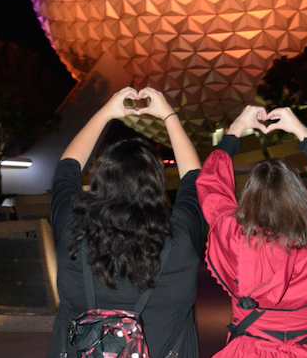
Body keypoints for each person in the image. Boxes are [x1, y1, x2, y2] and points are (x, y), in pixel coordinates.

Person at [196, 105, 307, 358]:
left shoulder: (233, 239)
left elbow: (212, 189)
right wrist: (303, 135)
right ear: (299, 197)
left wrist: (233, 133)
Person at [47, 85, 204, 358]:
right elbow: (195, 180)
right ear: (155, 186)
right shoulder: (180, 239)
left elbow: (66, 169)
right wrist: (168, 115)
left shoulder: (72, 231)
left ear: (99, 183)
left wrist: (106, 113)